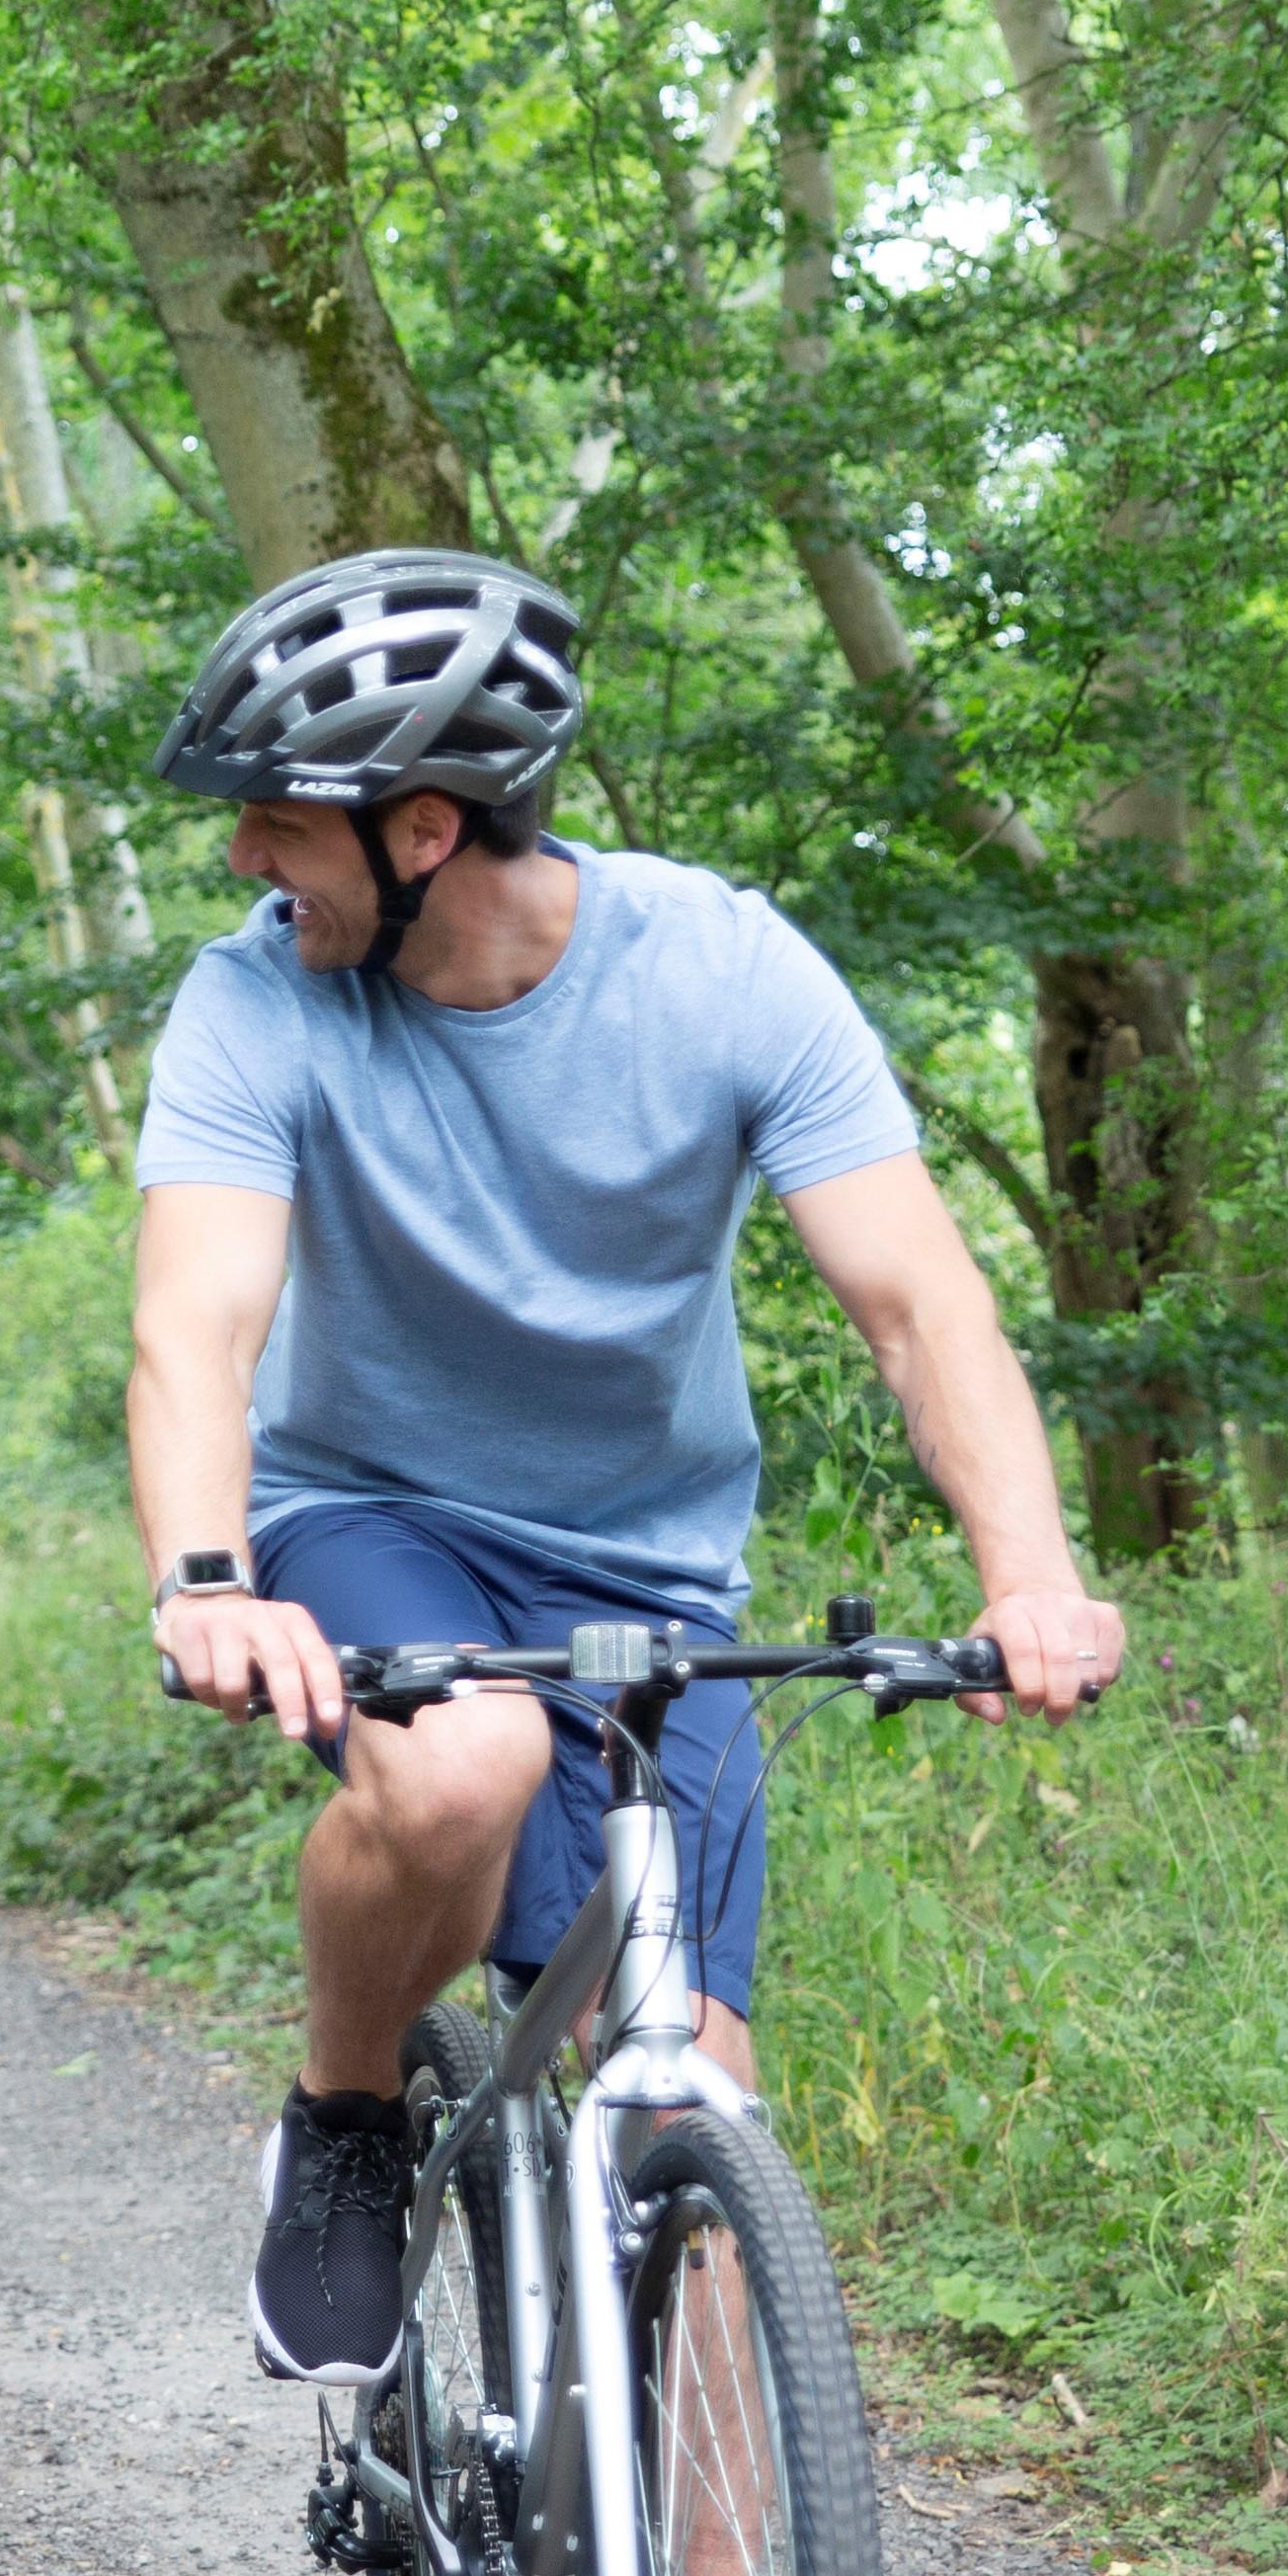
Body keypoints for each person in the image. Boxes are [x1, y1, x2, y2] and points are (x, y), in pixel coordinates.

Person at [129, 550, 1126, 2384]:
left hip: (650, 1571)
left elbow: (920, 1304)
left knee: (694, 2108)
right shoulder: (256, 1000)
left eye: (278, 820)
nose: (245, 860)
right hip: (374, 1516)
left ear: (421, 828)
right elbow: (195, 1326)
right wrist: (207, 1579)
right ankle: (347, 2120)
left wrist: (1030, 1572)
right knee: (465, 1767)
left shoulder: (727, 971)